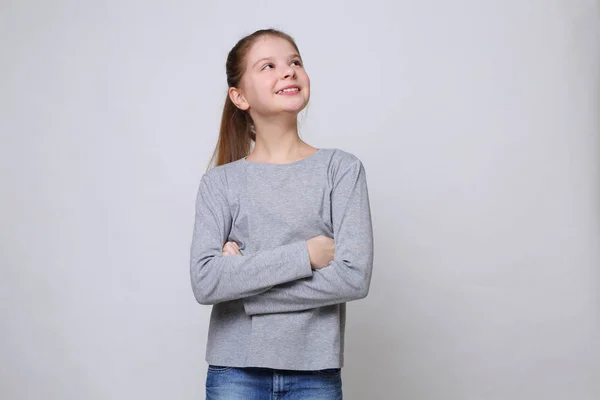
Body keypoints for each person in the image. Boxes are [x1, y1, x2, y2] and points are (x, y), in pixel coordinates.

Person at [190, 28, 374, 399]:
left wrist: (246, 286)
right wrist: (307, 255)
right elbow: (207, 282)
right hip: (234, 372)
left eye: (295, 62)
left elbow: (353, 277)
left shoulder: (341, 169)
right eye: (268, 66)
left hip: (314, 372)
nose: (288, 71)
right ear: (239, 96)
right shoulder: (220, 183)